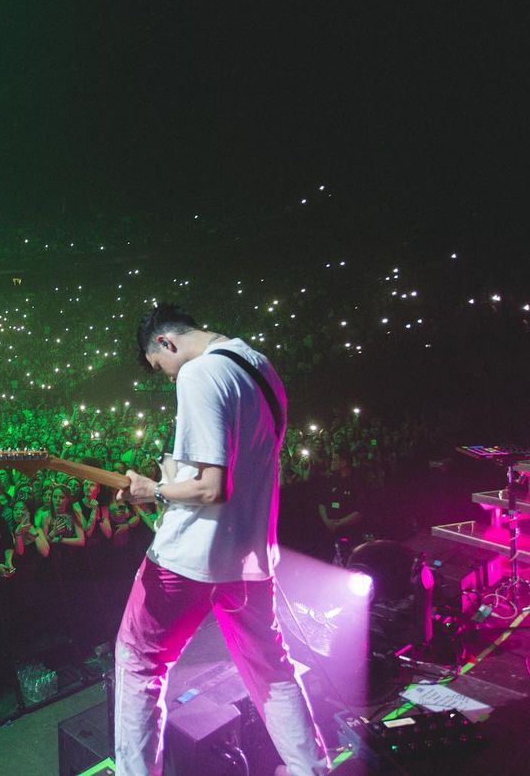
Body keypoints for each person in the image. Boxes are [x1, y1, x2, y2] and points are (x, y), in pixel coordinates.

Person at [114, 303, 327, 776]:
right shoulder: (259, 365)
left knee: (139, 663)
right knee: (272, 670)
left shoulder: (199, 373)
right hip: (250, 557)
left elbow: (213, 487)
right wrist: (174, 477)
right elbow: (240, 468)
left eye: (161, 366)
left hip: (187, 559)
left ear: (166, 342)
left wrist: (154, 490)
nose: (169, 377)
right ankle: (310, 769)